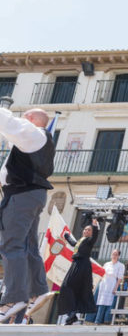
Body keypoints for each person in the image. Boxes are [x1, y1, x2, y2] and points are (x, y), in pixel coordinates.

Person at [0, 108, 55, 321]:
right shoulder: (39, 140)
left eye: (24, 116)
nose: (21, 119)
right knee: (28, 245)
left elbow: (7, 123)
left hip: (21, 195)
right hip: (30, 194)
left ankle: (14, 298)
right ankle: (37, 290)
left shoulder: (33, 134)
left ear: (31, 119)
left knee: (11, 244)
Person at [58, 219, 100, 325]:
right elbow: (73, 243)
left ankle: (72, 312)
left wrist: (95, 226)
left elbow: (95, 236)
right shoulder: (81, 241)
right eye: (85, 229)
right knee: (66, 287)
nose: (86, 231)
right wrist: (66, 235)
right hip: (76, 264)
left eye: (89, 230)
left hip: (82, 265)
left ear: (91, 232)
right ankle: (72, 315)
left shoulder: (90, 241)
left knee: (67, 285)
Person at [93, 249, 124, 324]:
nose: (114, 256)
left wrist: (115, 288)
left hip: (112, 284)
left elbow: (120, 278)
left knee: (110, 303)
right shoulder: (107, 264)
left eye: (116, 254)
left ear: (118, 256)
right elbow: (101, 274)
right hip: (104, 284)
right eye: (113, 254)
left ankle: (106, 320)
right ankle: (97, 320)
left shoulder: (121, 265)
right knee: (101, 302)